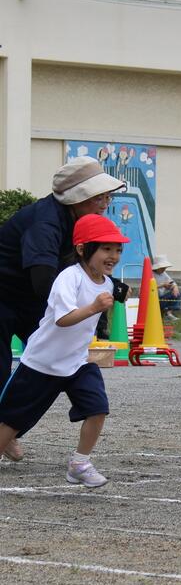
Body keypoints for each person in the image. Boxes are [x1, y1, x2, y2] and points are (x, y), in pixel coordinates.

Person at [0, 157, 125, 461]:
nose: (105, 203)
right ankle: (5, 431)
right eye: (99, 196)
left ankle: (9, 431)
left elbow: (82, 267)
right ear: (77, 197)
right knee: (4, 368)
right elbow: (45, 281)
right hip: (4, 294)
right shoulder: (45, 222)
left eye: (107, 196)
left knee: (54, 359)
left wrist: (107, 287)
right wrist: (84, 306)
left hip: (29, 298)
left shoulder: (81, 223)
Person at [152, 254, 181, 321]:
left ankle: (168, 313)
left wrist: (175, 287)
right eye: (162, 268)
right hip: (152, 300)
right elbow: (148, 288)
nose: (164, 269)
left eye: (164, 268)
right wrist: (162, 285)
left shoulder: (164, 274)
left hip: (161, 299)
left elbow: (172, 282)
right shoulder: (150, 274)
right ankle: (165, 312)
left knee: (177, 292)